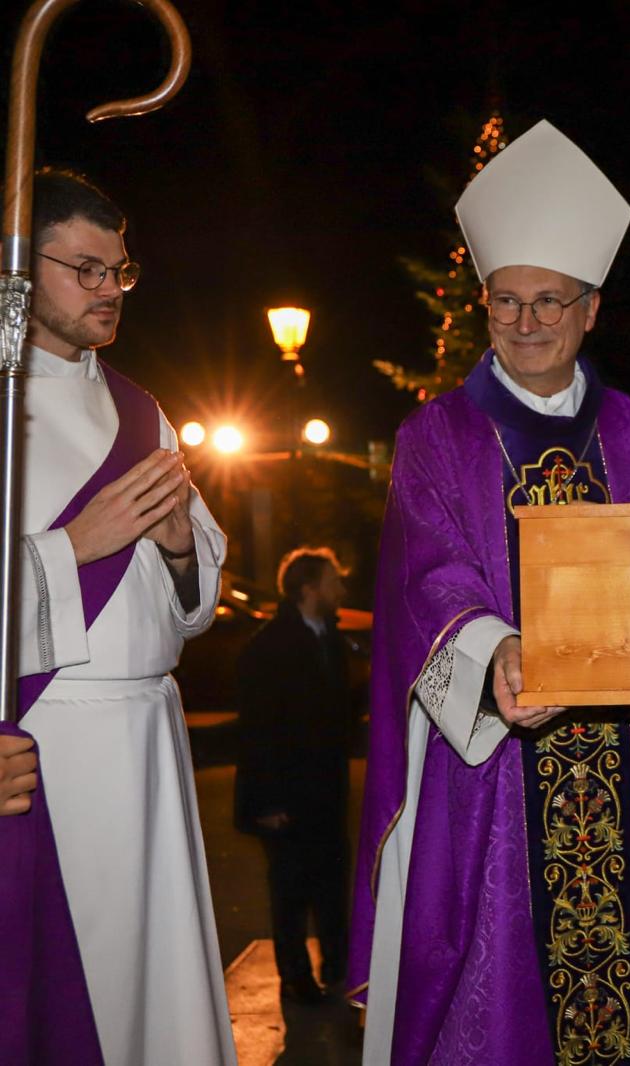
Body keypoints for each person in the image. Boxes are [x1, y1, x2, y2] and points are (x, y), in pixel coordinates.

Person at [348, 121, 630, 1065]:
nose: (526, 323)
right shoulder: (436, 439)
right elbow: (429, 576)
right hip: (496, 782)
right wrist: (495, 648)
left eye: (549, 300)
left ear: (591, 309)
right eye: (506, 301)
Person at [6, 168, 235, 1064]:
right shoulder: (3, 408)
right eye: (86, 270)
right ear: (19, 267)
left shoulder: (143, 411)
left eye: (120, 271)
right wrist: (75, 547)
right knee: (79, 1000)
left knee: (156, 999)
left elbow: (196, 596)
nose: (110, 290)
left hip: (151, 737)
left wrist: (179, 549)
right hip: (52, 746)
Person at [235, 546, 357, 1004]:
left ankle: (339, 969)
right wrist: (266, 803)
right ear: (309, 589)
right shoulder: (267, 647)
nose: (340, 589)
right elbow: (257, 731)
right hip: (286, 796)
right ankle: (296, 979)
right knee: (290, 891)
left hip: (325, 792)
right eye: (333, 581)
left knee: (331, 885)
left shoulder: (332, 638)